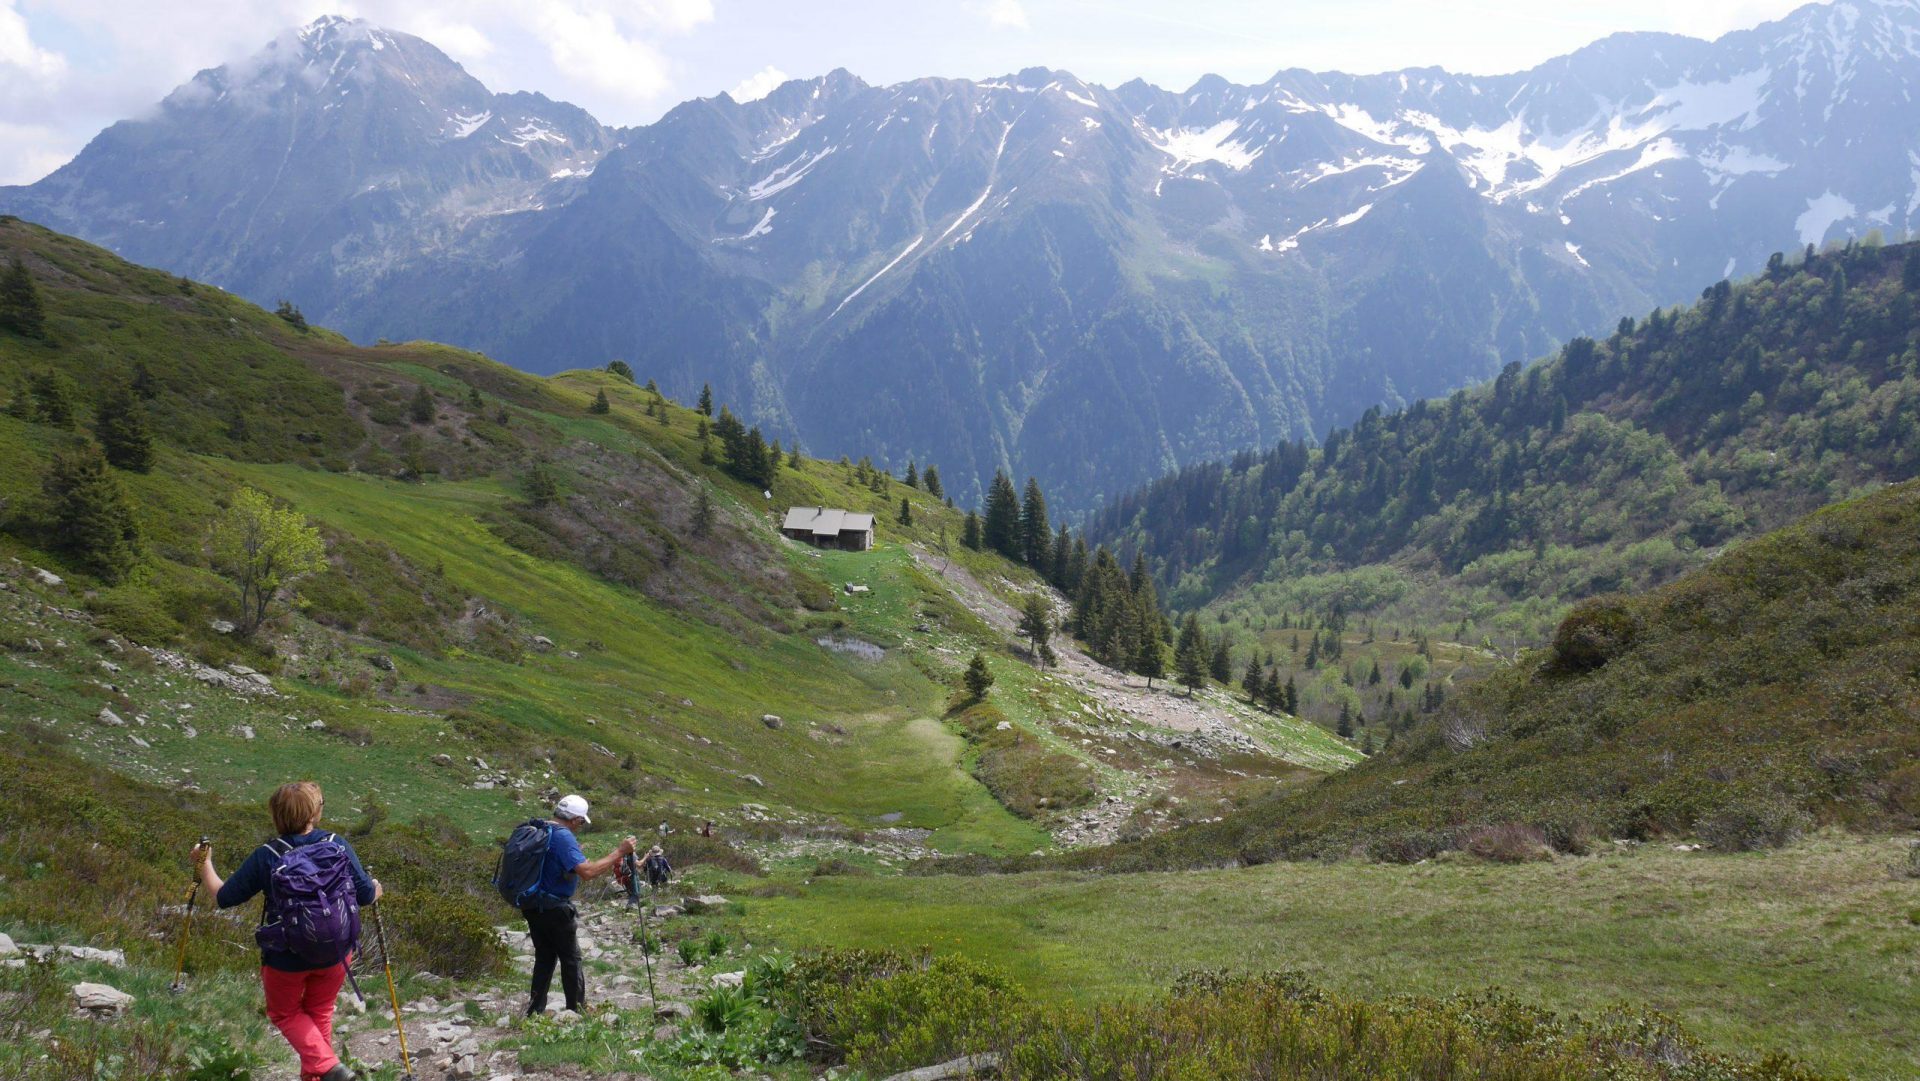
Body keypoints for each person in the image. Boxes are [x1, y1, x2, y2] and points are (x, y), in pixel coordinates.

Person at [192, 781, 379, 1081]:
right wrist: (377, 888)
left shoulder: (267, 855)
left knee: (285, 1014)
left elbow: (224, 897)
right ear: (313, 815)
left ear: (277, 816)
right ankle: (329, 1071)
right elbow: (366, 895)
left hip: (285, 957)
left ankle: (331, 1069)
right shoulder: (337, 843)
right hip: (335, 952)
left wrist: (205, 865)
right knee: (319, 1012)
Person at [520, 794, 635, 1016]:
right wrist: (619, 852)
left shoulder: (541, 829)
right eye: (581, 822)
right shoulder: (563, 837)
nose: (580, 827)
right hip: (556, 908)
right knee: (571, 958)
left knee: (544, 958)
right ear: (575, 819)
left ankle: (534, 1011)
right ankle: (576, 1010)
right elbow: (588, 872)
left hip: (533, 905)